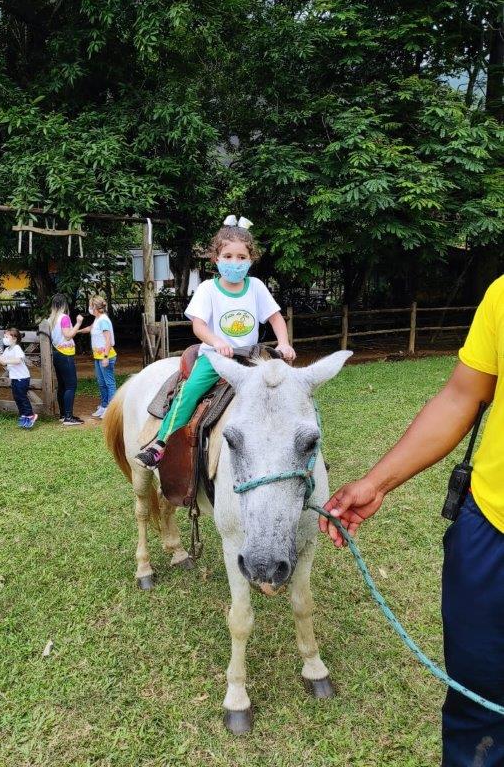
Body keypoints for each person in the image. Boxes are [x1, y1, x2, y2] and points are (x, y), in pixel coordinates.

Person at [320, 275, 504, 767]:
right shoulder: (502, 293)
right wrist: (376, 483)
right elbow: (462, 396)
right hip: (489, 530)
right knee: (476, 706)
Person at [135, 214, 296, 469]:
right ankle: (161, 443)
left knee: (287, 388)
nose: (235, 262)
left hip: (251, 356)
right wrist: (217, 341)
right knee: (190, 392)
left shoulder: (256, 286)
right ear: (216, 258)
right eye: (228, 256)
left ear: (250, 259)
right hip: (216, 358)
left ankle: (300, 446)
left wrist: (284, 343)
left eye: (241, 257)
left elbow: (275, 318)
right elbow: (198, 325)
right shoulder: (208, 289)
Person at [77, 295, 117, 418]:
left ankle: (111, 409)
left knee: (109, 383)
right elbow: (91, 328)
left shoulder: (103, 320)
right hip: (98, 357)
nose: (89, 307)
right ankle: (104, 406)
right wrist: (76, 331)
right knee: (101, 383)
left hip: (106, 356)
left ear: (94, 307)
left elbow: (108, 339)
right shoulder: (98, 319)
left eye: (90, 305)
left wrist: (105, 357)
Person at [48, 294, 84, 425]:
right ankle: (68, 417)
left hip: (57, 353)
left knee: (62, 385)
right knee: (71, 385)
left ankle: (63, 414)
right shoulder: (64, 318)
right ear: (64, 305)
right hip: (65, 354)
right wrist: (78, 323)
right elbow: (68, 336)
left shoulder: (50, 319)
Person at [0, 327, 37, 429]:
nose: (4, 339)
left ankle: (30, 415)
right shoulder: (7, 350)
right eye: (4, 337)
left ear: (14, 338)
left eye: (6, 337)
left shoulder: (16, 348)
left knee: (22, 397)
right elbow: (3, 362)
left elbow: (18, 360)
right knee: (17, 398)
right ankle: (24, 416)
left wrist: (5, 360)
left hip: (22, 378)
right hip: (15, 378)